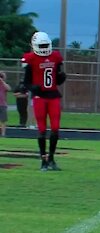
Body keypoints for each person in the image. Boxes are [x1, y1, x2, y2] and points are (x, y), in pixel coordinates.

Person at [21, 31, 67, 171]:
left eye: (46, 45)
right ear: (34, 45)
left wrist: (61, 77)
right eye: (41, 45)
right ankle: (43, 160)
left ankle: (51, 158)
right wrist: (33, 88)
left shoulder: (55, 57)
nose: (44, 48)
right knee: (41, 129)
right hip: (39, 97)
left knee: (55, 128)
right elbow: (26, 82)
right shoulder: (30, 59)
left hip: (53, 95)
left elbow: (57, 78)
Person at [0, 71, 11, 137]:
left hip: (3, 105)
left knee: (3, 120)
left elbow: (9, 89)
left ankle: (3, 134)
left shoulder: (4, 85)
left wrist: (2, 81)